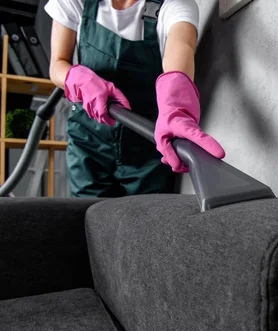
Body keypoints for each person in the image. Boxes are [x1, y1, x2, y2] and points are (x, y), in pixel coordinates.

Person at [44, 0, 226, 197]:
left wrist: (176, 107)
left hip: (145, 145)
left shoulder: (174, 5)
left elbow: (182, 44)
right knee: (87, 216)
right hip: (89, 140)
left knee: (145, 221)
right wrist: (77, 78)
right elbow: (57, 64)